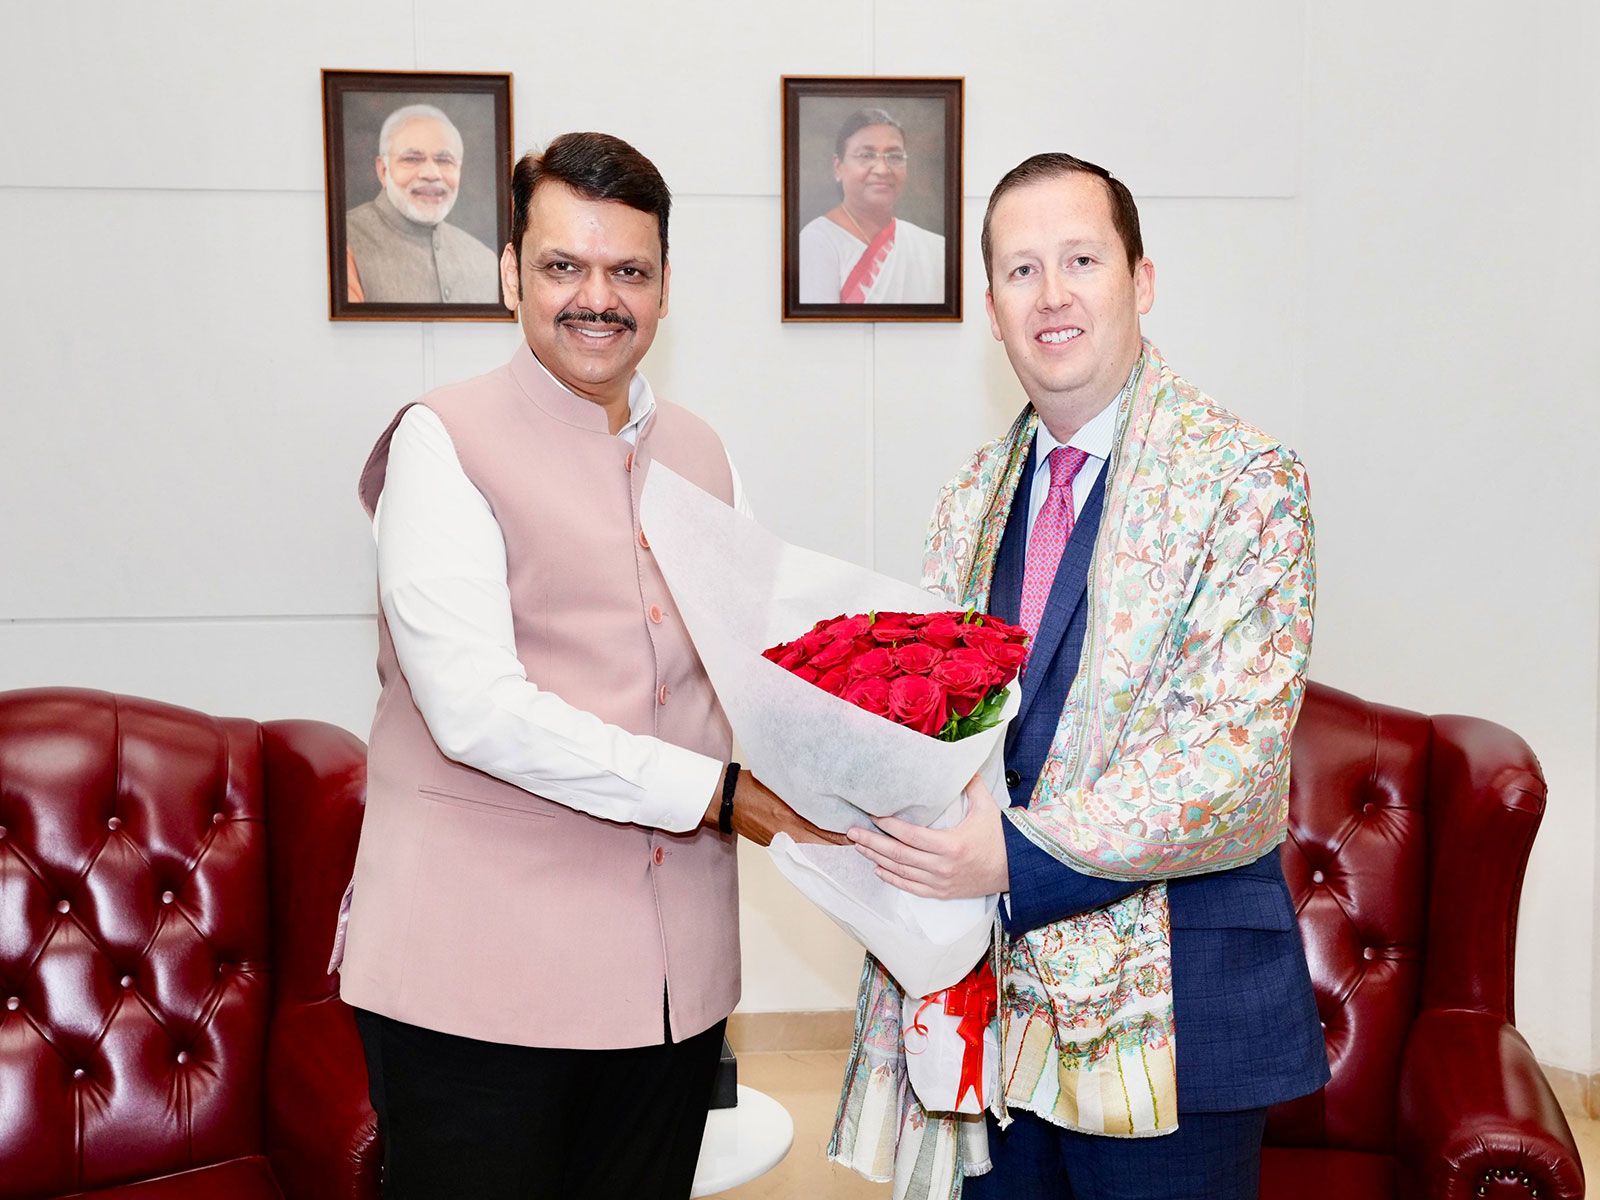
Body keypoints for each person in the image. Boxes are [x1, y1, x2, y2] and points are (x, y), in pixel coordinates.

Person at [336, 131, 843, 1200]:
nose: (597, 298)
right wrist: (718, 794)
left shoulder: (703, 452)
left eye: (629, 271)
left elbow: (762, 664)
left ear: (664, 287)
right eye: (564, 265)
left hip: (669, 988)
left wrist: (901, 742)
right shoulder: (442, 441)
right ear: (511, 273)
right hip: (476, 982)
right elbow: (476, 711)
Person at [835, 153, 1329, 1199]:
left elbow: (1231, 764)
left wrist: (1009, 857)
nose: (1051, 294)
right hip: (991, 1006)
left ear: (1140, 282)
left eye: (1081, 260)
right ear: (992, 309)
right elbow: (938, 722)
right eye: (1021, 270)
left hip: (1178, 1010)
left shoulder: (1243, 481)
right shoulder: (970, 496)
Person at [345, 102, 499, 304]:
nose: (431, 174)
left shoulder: (485, 261)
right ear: (383, 170)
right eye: (412, 159)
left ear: (459, 171)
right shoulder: (344, 241)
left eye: (444, 160)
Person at [797, 107, 945, 304]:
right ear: (838, 167)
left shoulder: (934, 248)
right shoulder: (818, 241)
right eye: (866, 155)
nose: (882, 170)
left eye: (895, 157)